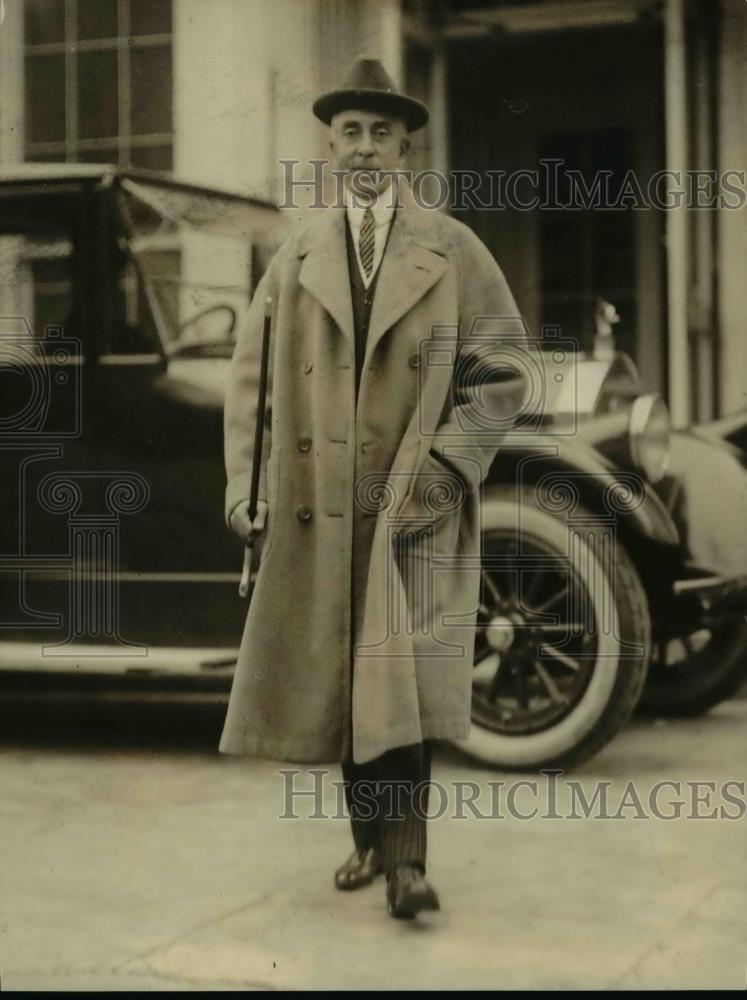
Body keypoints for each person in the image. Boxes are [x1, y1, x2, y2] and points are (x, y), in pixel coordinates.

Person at [221, 57, 529, 919]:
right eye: (349, 134)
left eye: (381, 135)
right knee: (340, 681)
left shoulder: (452, 248)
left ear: (404, 149)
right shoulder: (297, 254)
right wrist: (244, 490)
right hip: (320, 507)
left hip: (410, 506)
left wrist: (446, 467)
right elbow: (253, 382)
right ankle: (365, 840)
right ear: (330, 147)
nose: (364, 150)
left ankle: (407, 866)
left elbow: (502, 373)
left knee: (399, 685)